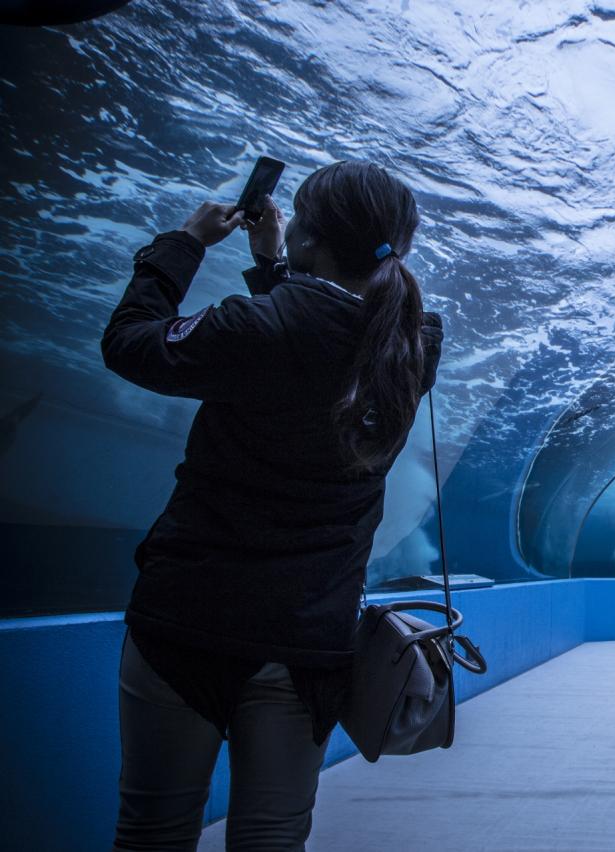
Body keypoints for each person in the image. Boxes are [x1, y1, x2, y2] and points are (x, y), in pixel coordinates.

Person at [101, 160, 444, 851]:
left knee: (153, 832)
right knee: (273, 838)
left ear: (308, 239)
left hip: (185, 623)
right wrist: (279, 269)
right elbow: (316, 341)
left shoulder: (252, 328)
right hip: (306, 642)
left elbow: (130, 345)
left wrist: (185, 243)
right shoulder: (414, 346)